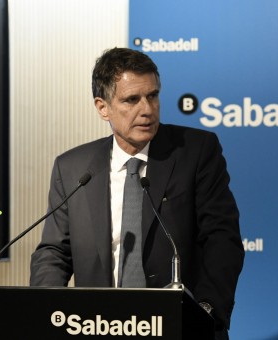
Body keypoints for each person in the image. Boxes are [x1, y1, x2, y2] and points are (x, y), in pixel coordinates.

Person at [30, 47, 244, 340]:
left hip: (179, 326)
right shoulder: (72, 168)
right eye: (132, 100)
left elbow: (222, 239)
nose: (147, 109)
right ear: (102, 107)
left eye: (152, 96)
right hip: (98, 326)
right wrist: (46, 312)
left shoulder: (196, 152)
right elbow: (53, 252)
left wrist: (204, 310)